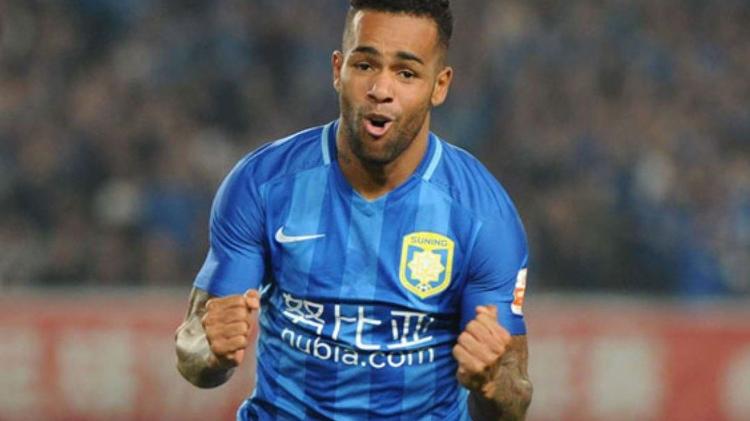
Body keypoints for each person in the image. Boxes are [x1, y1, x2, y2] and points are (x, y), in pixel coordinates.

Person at [175, 1, 533, 419]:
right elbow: (194, 349)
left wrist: (492, 383)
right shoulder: (262, 184)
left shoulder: (484, 217)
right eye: (365, 65)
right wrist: (209, 351)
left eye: (406, 73)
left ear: (439, 86)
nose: (381, 89)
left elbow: (513, 401)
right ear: (337, 70)